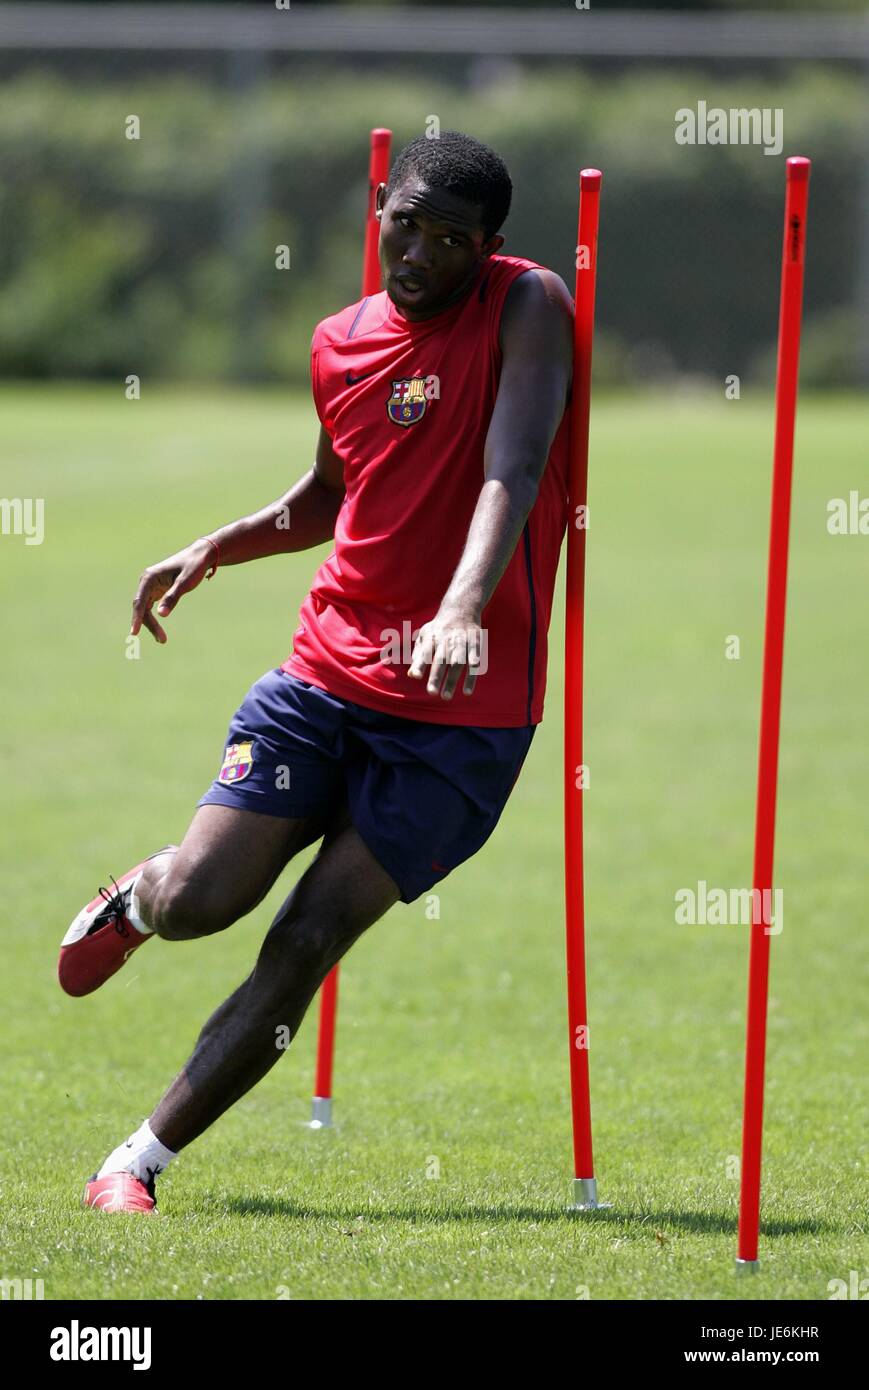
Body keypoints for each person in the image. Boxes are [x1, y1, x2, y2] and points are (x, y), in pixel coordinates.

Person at [58, 131, 573, 1213]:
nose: (422, 253)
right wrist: (216, 544)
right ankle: (141, 899)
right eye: (405, 225)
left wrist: (461, 607)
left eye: (451, 239)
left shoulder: (527, 307)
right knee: (202, 903)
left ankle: (133, 1163)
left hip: (459, 713)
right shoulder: (337, 342)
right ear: (377, 209)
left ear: (490, 247)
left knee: (306, 934)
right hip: (328, 674)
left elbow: (510, 466)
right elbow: (328, 496)